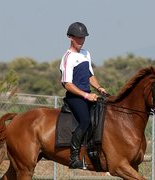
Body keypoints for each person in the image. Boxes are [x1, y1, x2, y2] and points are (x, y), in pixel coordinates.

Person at [59, 22, 107, 169]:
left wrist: (99, 87)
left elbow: (90, 76)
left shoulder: (86, 53)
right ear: (70, 37)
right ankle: (74, 158)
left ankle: (94, 150)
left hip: (88, 94)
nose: (81, 41)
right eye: (78, 38)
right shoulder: (67, 58)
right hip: (75, 97)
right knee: (85, 120)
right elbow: (67, 84)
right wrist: (86, 96)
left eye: (83, 38)